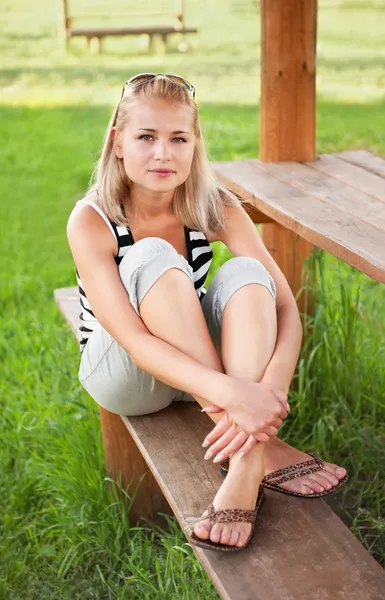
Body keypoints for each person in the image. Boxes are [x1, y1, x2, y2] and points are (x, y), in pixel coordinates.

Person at [66, 73, 348, 552]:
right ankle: (258, 447)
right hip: (129, 373)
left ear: (195, 144)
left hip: (197, 371)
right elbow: (135, 341)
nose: (163, 153)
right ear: (117, 143)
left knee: (247, 274)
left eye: (179, 138)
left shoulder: (215, 207)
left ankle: (244, 464)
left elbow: (284, 309)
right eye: (146, 137)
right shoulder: (93, 219)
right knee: (150, 255)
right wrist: (238, 397)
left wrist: (269, 394)